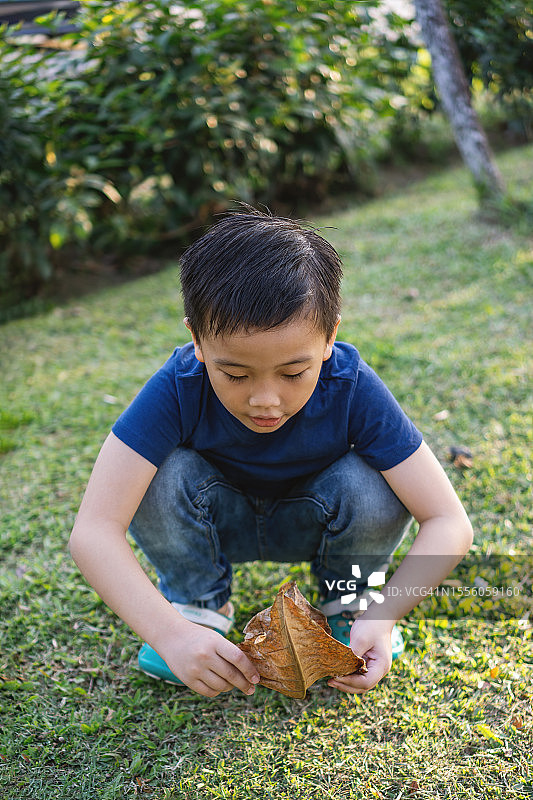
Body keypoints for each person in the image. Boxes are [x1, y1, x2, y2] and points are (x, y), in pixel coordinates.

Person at [69, 207, 473, 699]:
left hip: (318, 517)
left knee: (374, 479)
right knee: (155, 471)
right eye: (235, 375)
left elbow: (449, 522)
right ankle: (196, 608)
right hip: (213, 518)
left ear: (329, 338)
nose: (265, 399)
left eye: (292, 372)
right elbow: (93, 531)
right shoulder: (178, 386)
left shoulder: (353, 387)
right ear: (196, 340)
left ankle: (348, 605)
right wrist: (168, 634)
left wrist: (383, 614)